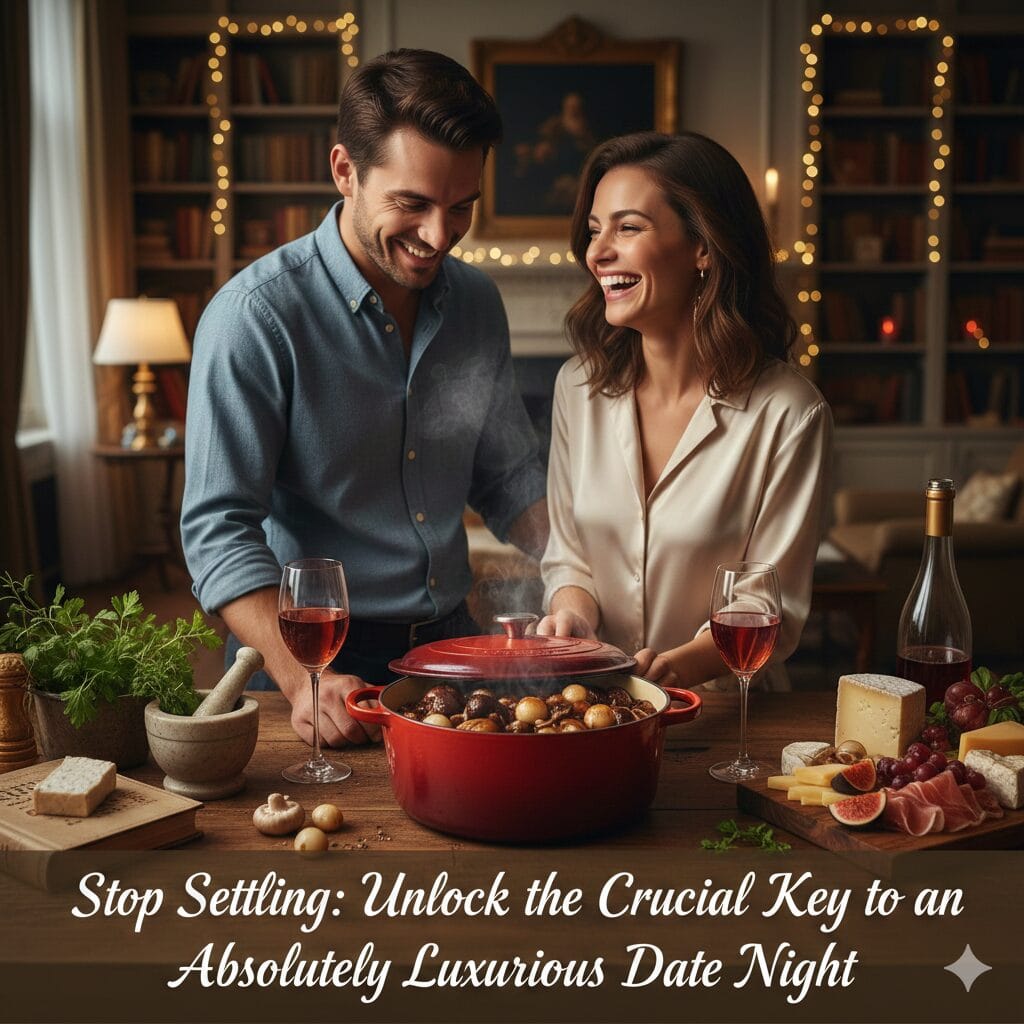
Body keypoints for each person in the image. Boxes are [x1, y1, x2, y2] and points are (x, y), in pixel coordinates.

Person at [181, 50, 548, 748]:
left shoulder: (478, 303)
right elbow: (218, 533)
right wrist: (299, 680)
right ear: (345, 170)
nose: (439, 237)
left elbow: (506, 476)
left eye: (461, 207)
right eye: (412, 203)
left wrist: (579, 575)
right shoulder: (254, 317)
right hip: (308, 663)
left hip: (448, 652)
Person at [537, 131, 832, 690]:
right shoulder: (577, 388)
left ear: (704, 246)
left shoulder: (790, 413)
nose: (597, 251)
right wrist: (573, 615)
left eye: (628, 227)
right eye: (595, 230)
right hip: (600, 706)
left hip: (731, 716)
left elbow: (770, 606)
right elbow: (569, 557)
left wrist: (678, 668)